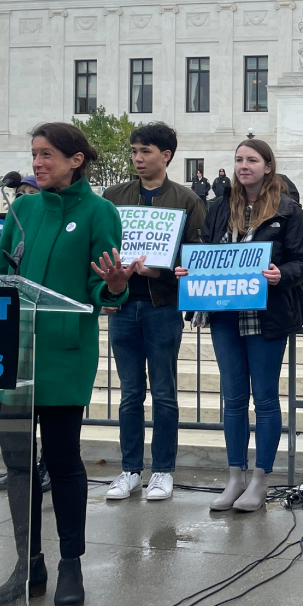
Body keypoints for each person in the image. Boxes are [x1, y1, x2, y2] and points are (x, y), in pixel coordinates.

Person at [0, 122, 133, 606]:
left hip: (63, 359)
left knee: (64, 461)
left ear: (76, 160)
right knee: (16, 468)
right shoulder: (23, 209)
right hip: (13, 358)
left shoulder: (100, 212)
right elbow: (1, 277)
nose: (37, 163)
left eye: (47, 154)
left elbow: (104, 287)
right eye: (33, 154)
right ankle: (27, 563)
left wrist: (114, 286)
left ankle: (71, 562)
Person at [176, 139, 303, 512]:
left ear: (268, 166)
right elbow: (205, 247)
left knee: (265, 399)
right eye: (238, 159)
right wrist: (189, 271)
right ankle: (235, 475)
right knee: (233, 400)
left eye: (252, 160)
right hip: (223, 314)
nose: (243, 166)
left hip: (267, 316)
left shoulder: (288, 211)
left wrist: (279, 274)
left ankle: (260, 479)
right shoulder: (219, 207)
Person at [102, 122, 206, 502]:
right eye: (134, 151)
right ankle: (130, 468)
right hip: (122, 304)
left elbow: (194, 255)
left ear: (166, 156)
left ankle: (163, 470)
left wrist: (161, 270)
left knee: (164, 393)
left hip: (162, 306)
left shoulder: (186, 200)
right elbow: (102, 245)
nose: (138, 158)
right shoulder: (114, 196)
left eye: (145, 151)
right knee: (130, 393)